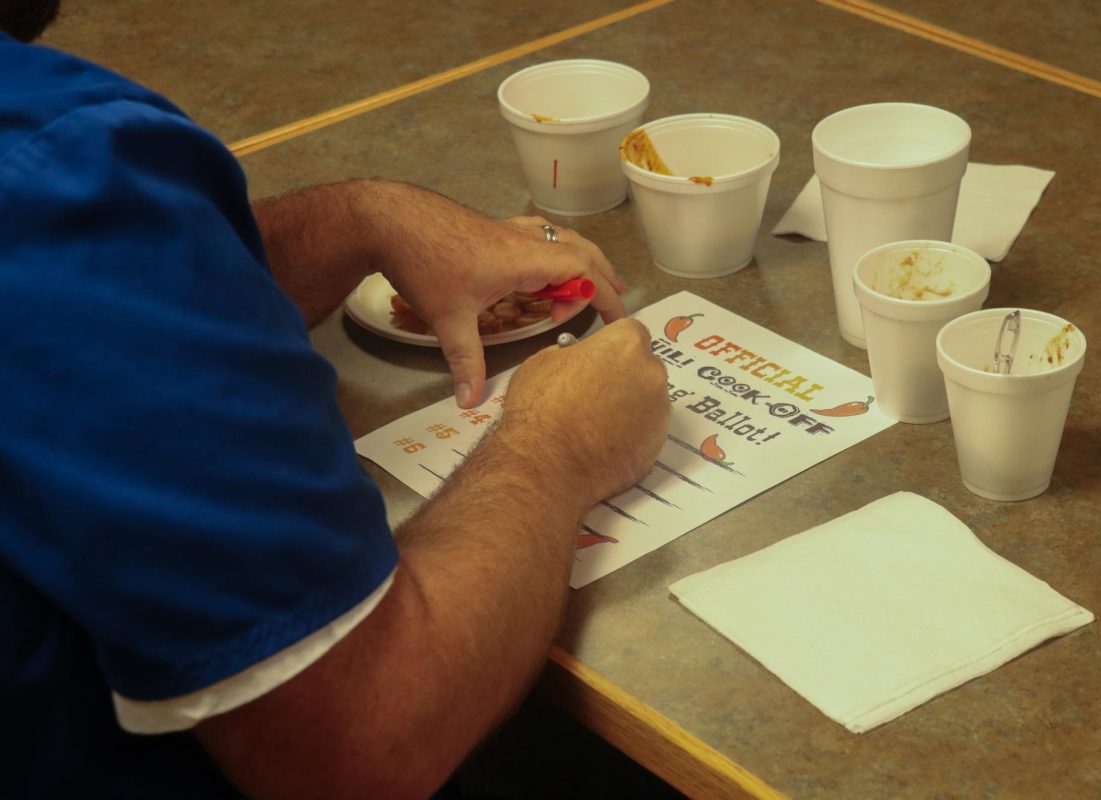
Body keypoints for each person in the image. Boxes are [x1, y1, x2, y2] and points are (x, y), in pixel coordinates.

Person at [0, 2, 670, 797]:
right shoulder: (59, 171)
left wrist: (358, 218)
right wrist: (559, 443)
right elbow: (365, 745)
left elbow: (72, 310)